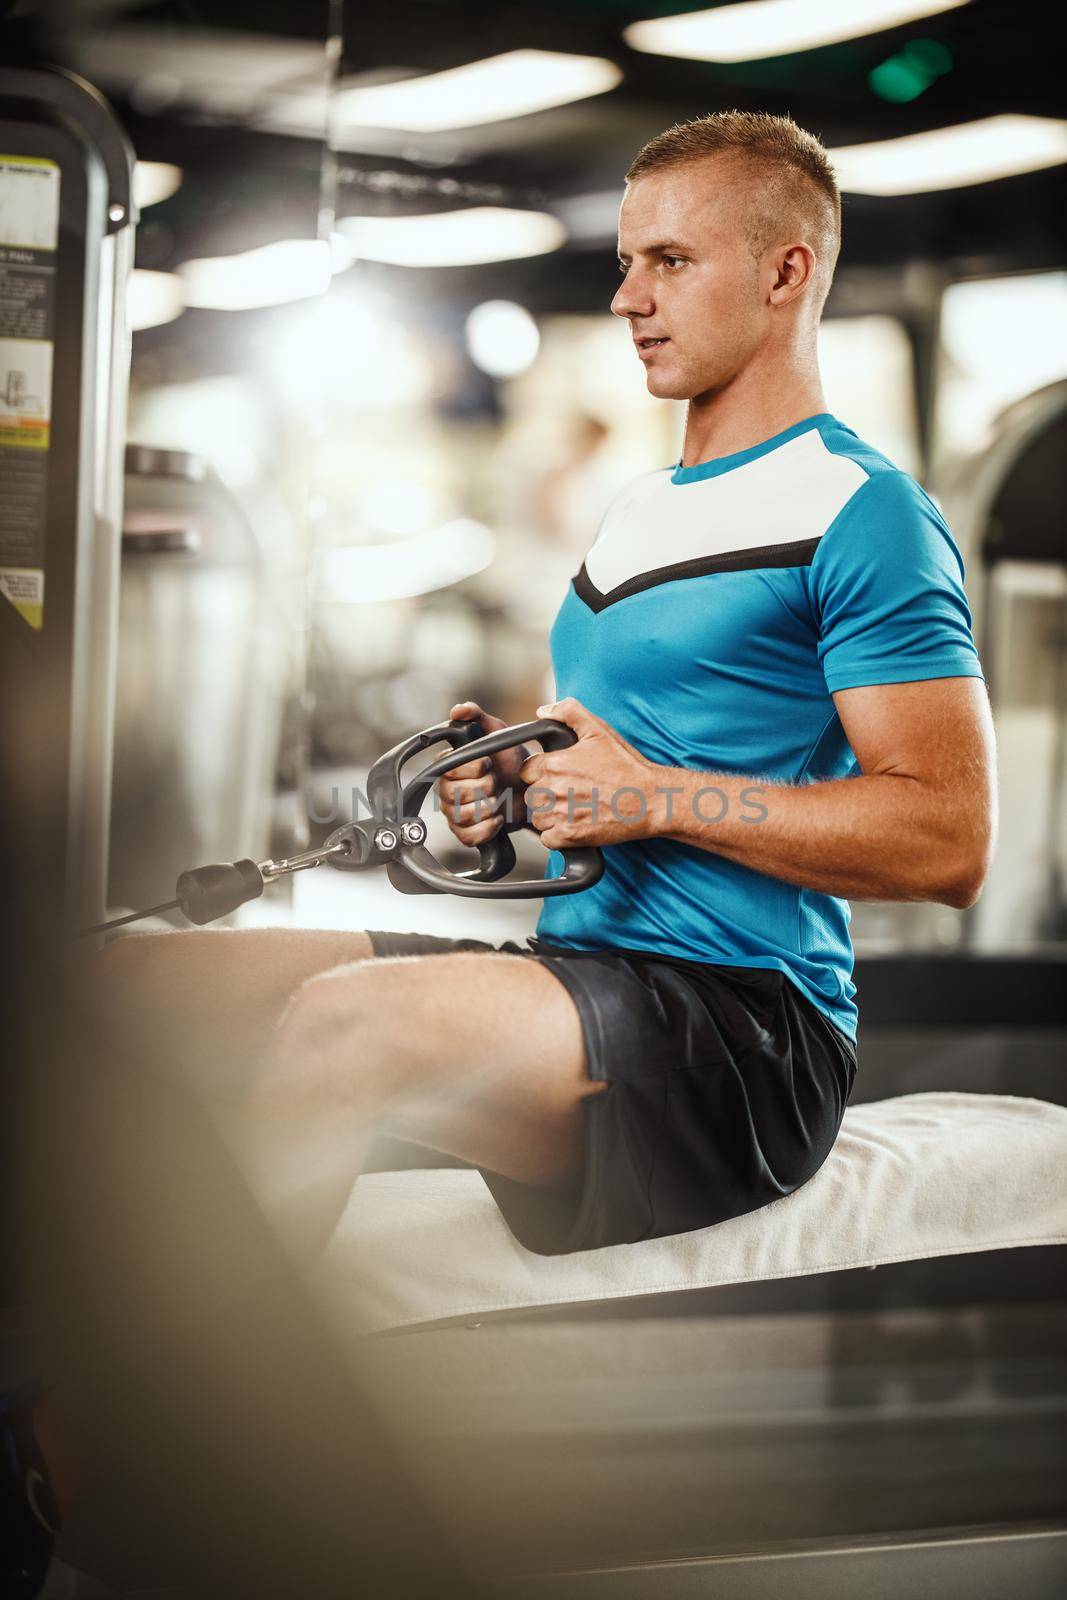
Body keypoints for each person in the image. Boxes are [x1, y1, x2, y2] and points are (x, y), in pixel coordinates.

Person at [4, 103, 999, 1590]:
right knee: (141, 988)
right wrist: (512, 798)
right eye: (625, 260)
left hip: (748, 1036)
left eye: (668, 261)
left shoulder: (867, 515)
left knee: (351, 1028)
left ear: (789, 274)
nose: (626, 296)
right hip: (592, 972)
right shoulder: (634, 517)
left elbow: (949, 834)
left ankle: (71, 1472)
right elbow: (600, 790)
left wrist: (653, 796)